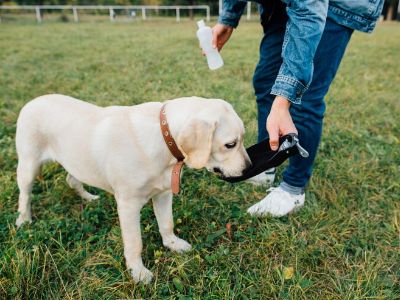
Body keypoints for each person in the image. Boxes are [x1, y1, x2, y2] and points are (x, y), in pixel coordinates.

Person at [214, 0, 384, 217]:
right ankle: (268, 163)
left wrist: (284, 99)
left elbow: (309, 12)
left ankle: (293, 190)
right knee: (266, 80)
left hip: (332, 6)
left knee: (305, 94)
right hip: (282, 6)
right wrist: (228, 19)